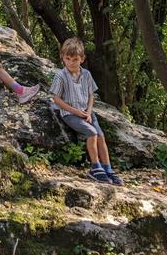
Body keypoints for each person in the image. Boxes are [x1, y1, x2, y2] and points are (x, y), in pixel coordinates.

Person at [50, 37, 123, 185]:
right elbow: (56, 99)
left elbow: (91, 95)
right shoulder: (60, 76)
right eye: (68, 59)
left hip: (87, 113)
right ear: (62, 57)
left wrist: (89, 112)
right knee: (92, 133)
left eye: (75, 59)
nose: (71, 62)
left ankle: (108, 168)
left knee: (101, 135)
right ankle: (95, 168)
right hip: (70, 114)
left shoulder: (87, 75)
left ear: (82, 59)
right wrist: (76, 112)